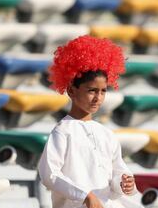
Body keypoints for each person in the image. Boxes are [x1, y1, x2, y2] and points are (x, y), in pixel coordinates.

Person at [38, 35, 142, 208]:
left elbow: (116, 171)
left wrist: (123, 182)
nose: (98, 98)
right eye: (92, 91)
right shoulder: (63, 131)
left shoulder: (107, 134)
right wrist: (85, 196)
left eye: (103, 91)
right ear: (71, 90)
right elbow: (49, 175)